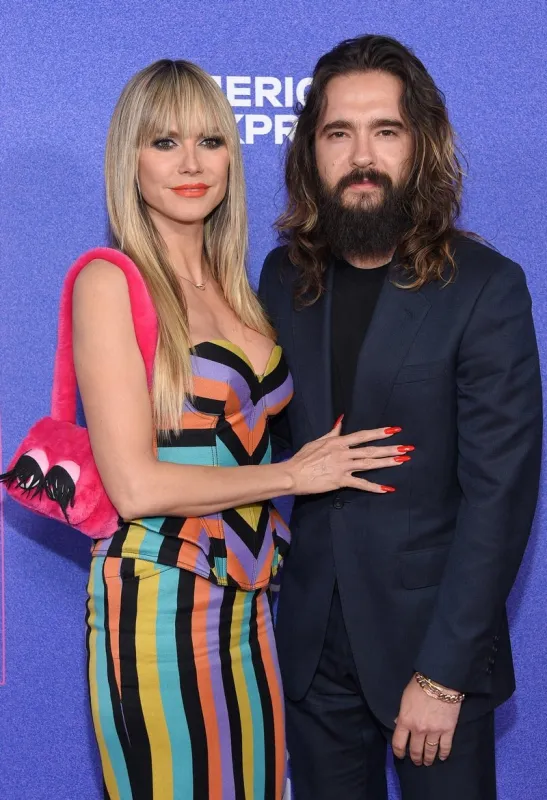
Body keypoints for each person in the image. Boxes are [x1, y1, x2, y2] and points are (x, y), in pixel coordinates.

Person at [73, 59, 403, 800]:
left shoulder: (242, 289)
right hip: (159, 600)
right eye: (164, 142)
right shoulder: (112, 282)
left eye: (210, 141)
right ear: (129, 160)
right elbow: (134, 487)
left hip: (249, 605)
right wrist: (294, 476)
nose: (191, 164)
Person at [259, 34, 542, 800]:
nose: (362, 156)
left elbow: (499, 499)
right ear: (310, 152)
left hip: (431, 653)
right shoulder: (283, 277)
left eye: (385, 130)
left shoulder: (483, 287)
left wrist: (444, 675)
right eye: (338, 133)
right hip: (311, 656)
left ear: (420, 145)